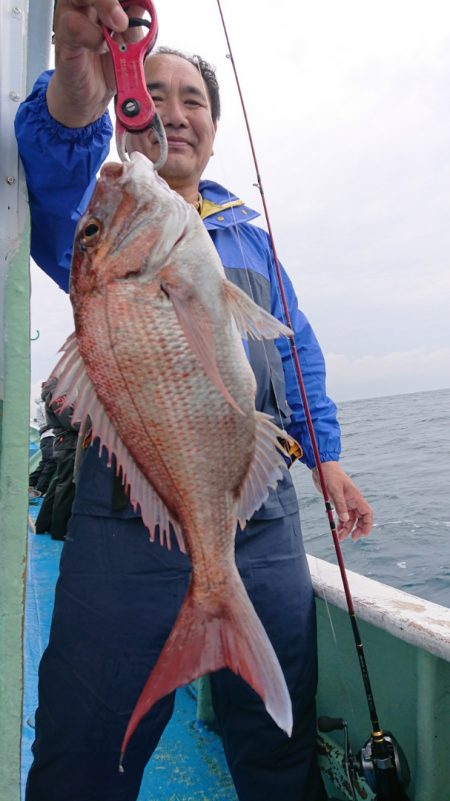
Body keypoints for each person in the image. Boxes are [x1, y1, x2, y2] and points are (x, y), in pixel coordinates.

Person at [15, 3, 373, 800]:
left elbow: (294, 351)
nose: (173, 113)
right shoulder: (98, 211)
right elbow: (55, 149)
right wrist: (78, 59)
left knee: (278, 740)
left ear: (212, 127)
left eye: (194, 101)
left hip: (265, 512)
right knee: (86, 748)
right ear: (127, 105)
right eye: (156, 93)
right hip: (131, 509)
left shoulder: (245, 234)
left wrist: (330, 459)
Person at [34, 377, 80, 540]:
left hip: (65, 443)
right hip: (69, 443)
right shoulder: (58, 393)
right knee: (66, 486)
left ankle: (43, 524)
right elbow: (73, 422)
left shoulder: (58, 391)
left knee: (58, 484)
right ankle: (60, 530)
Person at [28, 382, 56, 496]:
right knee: (51, 462)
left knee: (45, 462)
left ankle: (31, 482)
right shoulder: (45, 404)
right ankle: (40, 489)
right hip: (50, 437)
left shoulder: (44, 403)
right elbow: (51, 421)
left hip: (47, 437)